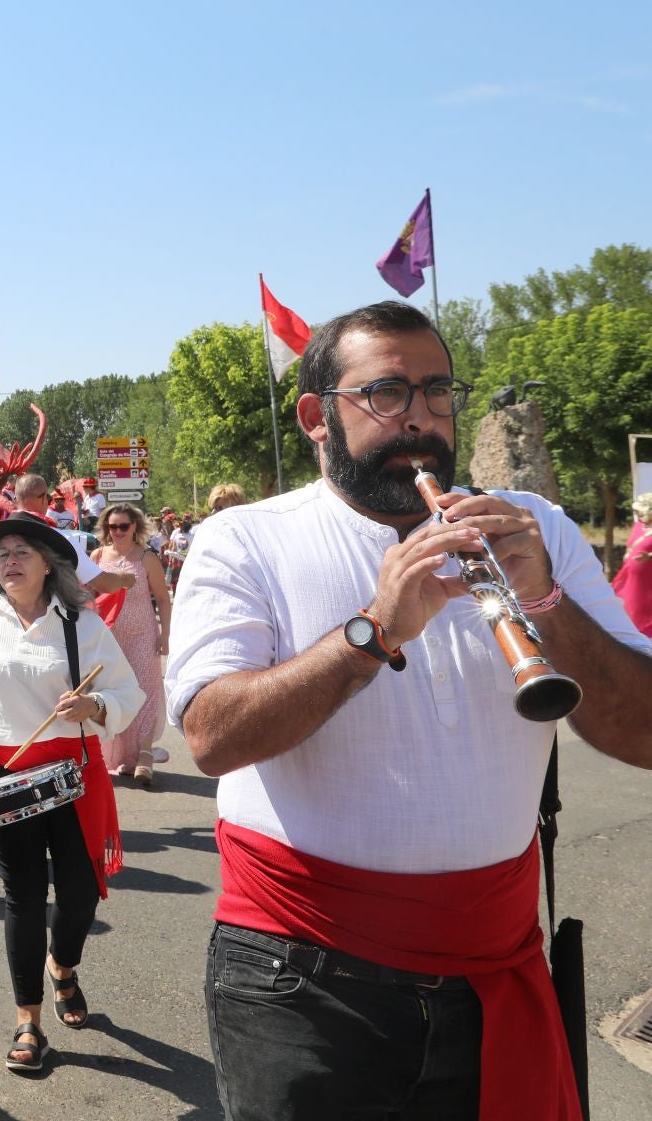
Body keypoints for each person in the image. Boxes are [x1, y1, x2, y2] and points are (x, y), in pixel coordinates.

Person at [168, 300, 652, 1120]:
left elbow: (641, 731)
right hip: (299, 974)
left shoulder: (543, 532)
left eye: (437, 392)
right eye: (387, 394)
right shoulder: (244, 539)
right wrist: (374, 630)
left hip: (492, 960)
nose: (421, 421)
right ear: (318, 417)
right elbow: (213, 738)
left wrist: (546, 601)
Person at [0, 513, 144, 1073]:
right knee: (23, 893)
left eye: (23, 552)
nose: (10, 561)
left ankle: (63, 965)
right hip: (4, 773)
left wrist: (95, 706)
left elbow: (125, 691)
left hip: (72, 774)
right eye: (3, 554)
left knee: (80, 893)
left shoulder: (80, 624)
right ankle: (28, 1020)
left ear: (48, 565)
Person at [91, 502, 173, 787]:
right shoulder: (98, 555)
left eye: (124, 526)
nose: (118, 532)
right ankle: (120, 754)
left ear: (135, 527)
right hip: (108, 638)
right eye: (113, 527)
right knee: (112, 693)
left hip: (142, 634)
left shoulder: (146, 557)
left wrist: (165, 636)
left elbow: (163, 598)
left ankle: (146, 754)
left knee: (145, 691)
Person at [11, 473, 134, 597]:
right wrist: (124, 578)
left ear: (15, 500)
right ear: (44, 499)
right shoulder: (61, 539)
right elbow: (104, 583)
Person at [615, 491, 652, 639]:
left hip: (647, 582)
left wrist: (648, 556)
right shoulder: (638, 526)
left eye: (640, 510)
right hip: (629, 577)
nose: (636, 512)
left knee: (643, 610)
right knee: (627, 608)